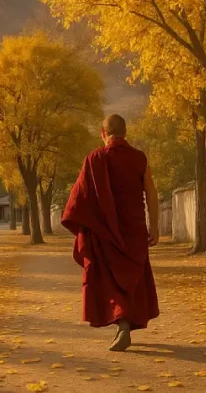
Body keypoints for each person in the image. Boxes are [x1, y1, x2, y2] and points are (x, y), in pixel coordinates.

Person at [61, 113, 160, 352]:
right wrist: (154, 225)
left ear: (103, 133)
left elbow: (78, 200)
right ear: (125, 133)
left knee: (111, 278)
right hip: (134, 230)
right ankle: (126, 323)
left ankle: (123, 324)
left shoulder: (94, 159)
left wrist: (86, 226)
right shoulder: (139, 158)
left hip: (105, 232)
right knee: (132, 279)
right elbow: (151, 194)